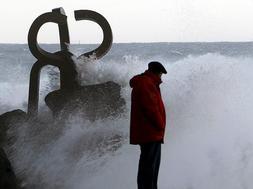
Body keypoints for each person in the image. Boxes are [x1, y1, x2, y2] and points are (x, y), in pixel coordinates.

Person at [129, 61, 167, 189]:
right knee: (149, 168)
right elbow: (151, 108)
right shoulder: (146, 83)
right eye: (161, 74)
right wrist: (161, 125)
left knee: (149, 166)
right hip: (150, 132)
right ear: (157, 72)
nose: (161, 77)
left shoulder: (146, 82)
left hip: (149, 132)